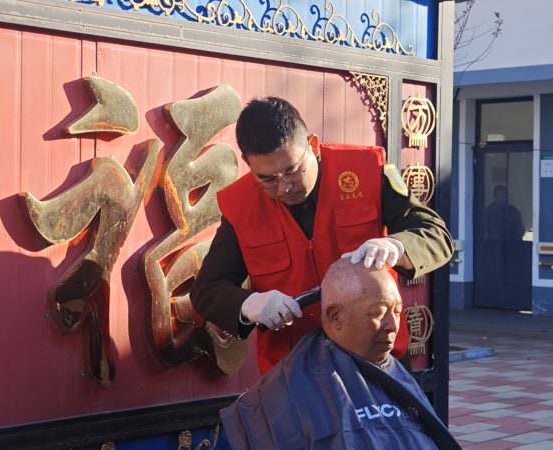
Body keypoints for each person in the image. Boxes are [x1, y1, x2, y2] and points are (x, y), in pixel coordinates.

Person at [191, 96, 453, 374]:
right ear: (247, 162)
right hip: (294, 370)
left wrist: (396, 246)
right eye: (267, 179)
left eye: (292, 171)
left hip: (377, 357)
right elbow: (206, 289)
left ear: (313, 145)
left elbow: (436, 235)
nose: (284, 187)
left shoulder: (366, 171)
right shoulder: (240, 204)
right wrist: (248, 304)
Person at [220, 260, 461, 450]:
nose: (393, 326)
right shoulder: (288, 391)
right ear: (335, 317)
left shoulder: (395, 374)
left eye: (397, 312)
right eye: (377, 313)